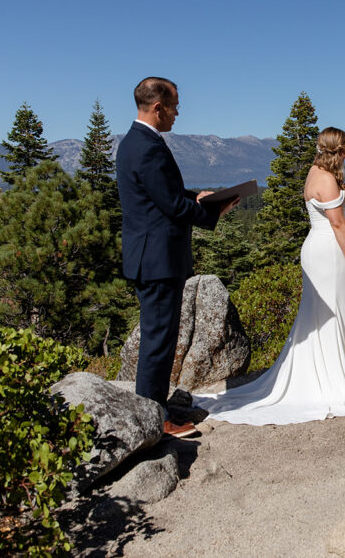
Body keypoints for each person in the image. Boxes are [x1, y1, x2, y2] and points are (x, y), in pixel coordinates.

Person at [193, 128, 345, 424]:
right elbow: (337, 225)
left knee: (318, 313)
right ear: (338, 151)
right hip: (329, 251)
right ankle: (330, 378)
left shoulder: (314, 172)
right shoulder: (327, 179)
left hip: (315, 249)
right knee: (332, 312)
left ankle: (323, 370)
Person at [116, 76, 237, 438]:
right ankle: (155, 418)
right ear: (158, 108)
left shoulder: (133, 143)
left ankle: (156, 408)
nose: (177, 113)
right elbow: (170, 205)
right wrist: (213, 212)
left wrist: (197, 196)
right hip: (157, 259)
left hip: (147, 256)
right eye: (175, 107)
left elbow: (164, 191)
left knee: (161, 336)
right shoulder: (149, 147)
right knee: (158, 339)